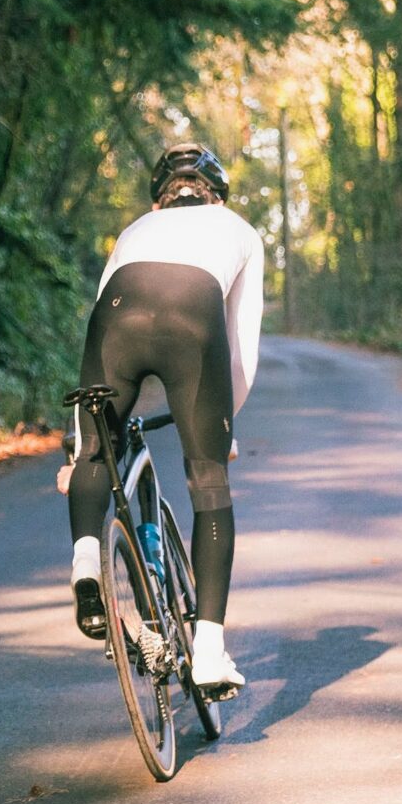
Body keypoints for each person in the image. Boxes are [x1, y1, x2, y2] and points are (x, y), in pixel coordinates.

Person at [64, 142, 263, 691]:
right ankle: (209, 652)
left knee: (97, 453)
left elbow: (99, 309)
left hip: (118, 319)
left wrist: (79, 445)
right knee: (208, 481)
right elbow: (242, 345)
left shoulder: (134, 231)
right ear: (218, 199)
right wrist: (225, 424)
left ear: (158, 203)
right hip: (191, 322)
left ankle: (86, 561)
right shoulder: (240, 230)